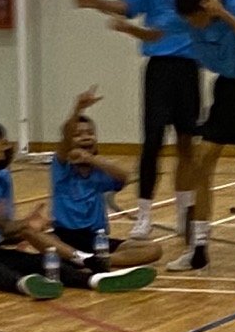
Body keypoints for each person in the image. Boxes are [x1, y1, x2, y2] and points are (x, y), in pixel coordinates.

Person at [74, 0, 203, 244]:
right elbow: (124, 6)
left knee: (187, 144)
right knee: (153, 143)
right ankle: (144, 214)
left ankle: (186, 211)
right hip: (159, 70)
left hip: (189, 70)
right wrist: (96, 3)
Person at [0, 117, 155, 300]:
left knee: (39, 262)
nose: (7, 147)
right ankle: (24, 285)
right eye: (2, 143)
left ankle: (94, 279)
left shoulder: (1, 178)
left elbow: (4, 230)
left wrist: (26, 224)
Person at [158, 0, 235, 277]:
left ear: (205, 7)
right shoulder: (188, 23)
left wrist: (222, 13)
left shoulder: (233, 3)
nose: (192, 26)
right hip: (225, 89)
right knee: (202, 160)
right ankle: (198, 250)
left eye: (194, 18)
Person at [50, 90, 162, 268]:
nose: (86, 137)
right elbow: (65, 137)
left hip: (97, 239)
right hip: (66, 236)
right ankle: (83, 259)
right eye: (78, 135)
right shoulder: (62, 168)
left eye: (90, 133)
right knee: (51, 246)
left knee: (154, 249)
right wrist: (78, 109)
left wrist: (91, 159)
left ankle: (97, 261)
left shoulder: (99, 172)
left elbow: (124, 177)